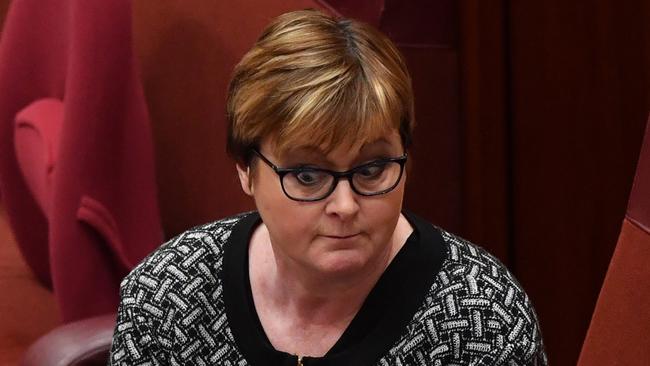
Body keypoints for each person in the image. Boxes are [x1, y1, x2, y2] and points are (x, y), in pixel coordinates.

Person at [109, 9, 547, 366]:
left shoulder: (480, 319)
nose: (345, 205)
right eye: (307, 175)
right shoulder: (167, 295)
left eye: (372, 169)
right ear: (245, 169)